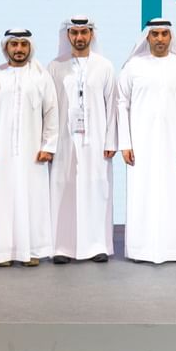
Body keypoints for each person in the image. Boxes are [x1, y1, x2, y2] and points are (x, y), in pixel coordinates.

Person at [115, 18, 176, 264]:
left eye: (164, 34)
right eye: (155, 34)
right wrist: (125, 143)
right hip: (141, 145)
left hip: (175, 144)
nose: (160, 38)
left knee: (174, 195)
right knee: (141, 194)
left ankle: (173, 249)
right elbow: (122, 104)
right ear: (147, 37)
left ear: (171, 37)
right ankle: (140, 249)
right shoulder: (133, 66)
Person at [0, 29, 58, 267]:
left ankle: (32, 250)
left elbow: (51, 112)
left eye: (23, 45)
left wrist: (48, 145)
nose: (19, 49)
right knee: (2, 200)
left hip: (32, 151)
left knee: (32, 198)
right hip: (0, 151)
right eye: (14, 44)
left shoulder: (41, 76)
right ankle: (3, 252)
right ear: (6, 47)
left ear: (30, 48)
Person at [47, 16, 117, 264]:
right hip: (64, 141)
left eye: (84, 32)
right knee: (63, 190)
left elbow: (112, 106)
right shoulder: (55, 67)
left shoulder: (105, 66)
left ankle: (97, 245)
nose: (79, 37)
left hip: (96, 142)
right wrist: (49, 143)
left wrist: (111, 141)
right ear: (67, 35)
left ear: (91, 34)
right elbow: (49, 109)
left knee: (96, 191)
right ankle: (61, 247)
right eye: (74, 32)